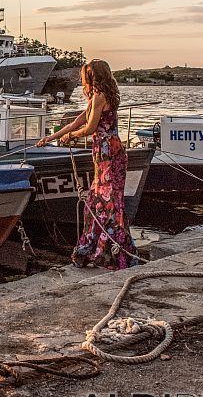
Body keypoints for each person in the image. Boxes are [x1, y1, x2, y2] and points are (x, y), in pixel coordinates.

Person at [35, 59, 136, 270]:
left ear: (92, 77)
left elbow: (89, 128)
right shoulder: (96, 98)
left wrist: (71, 137)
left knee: (108, 202)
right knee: (95, 201)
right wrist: (51, 138)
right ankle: (97, 249)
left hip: (110, 153)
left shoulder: (100, 97)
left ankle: (111, 253)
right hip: (103, 153)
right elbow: (76, 122)